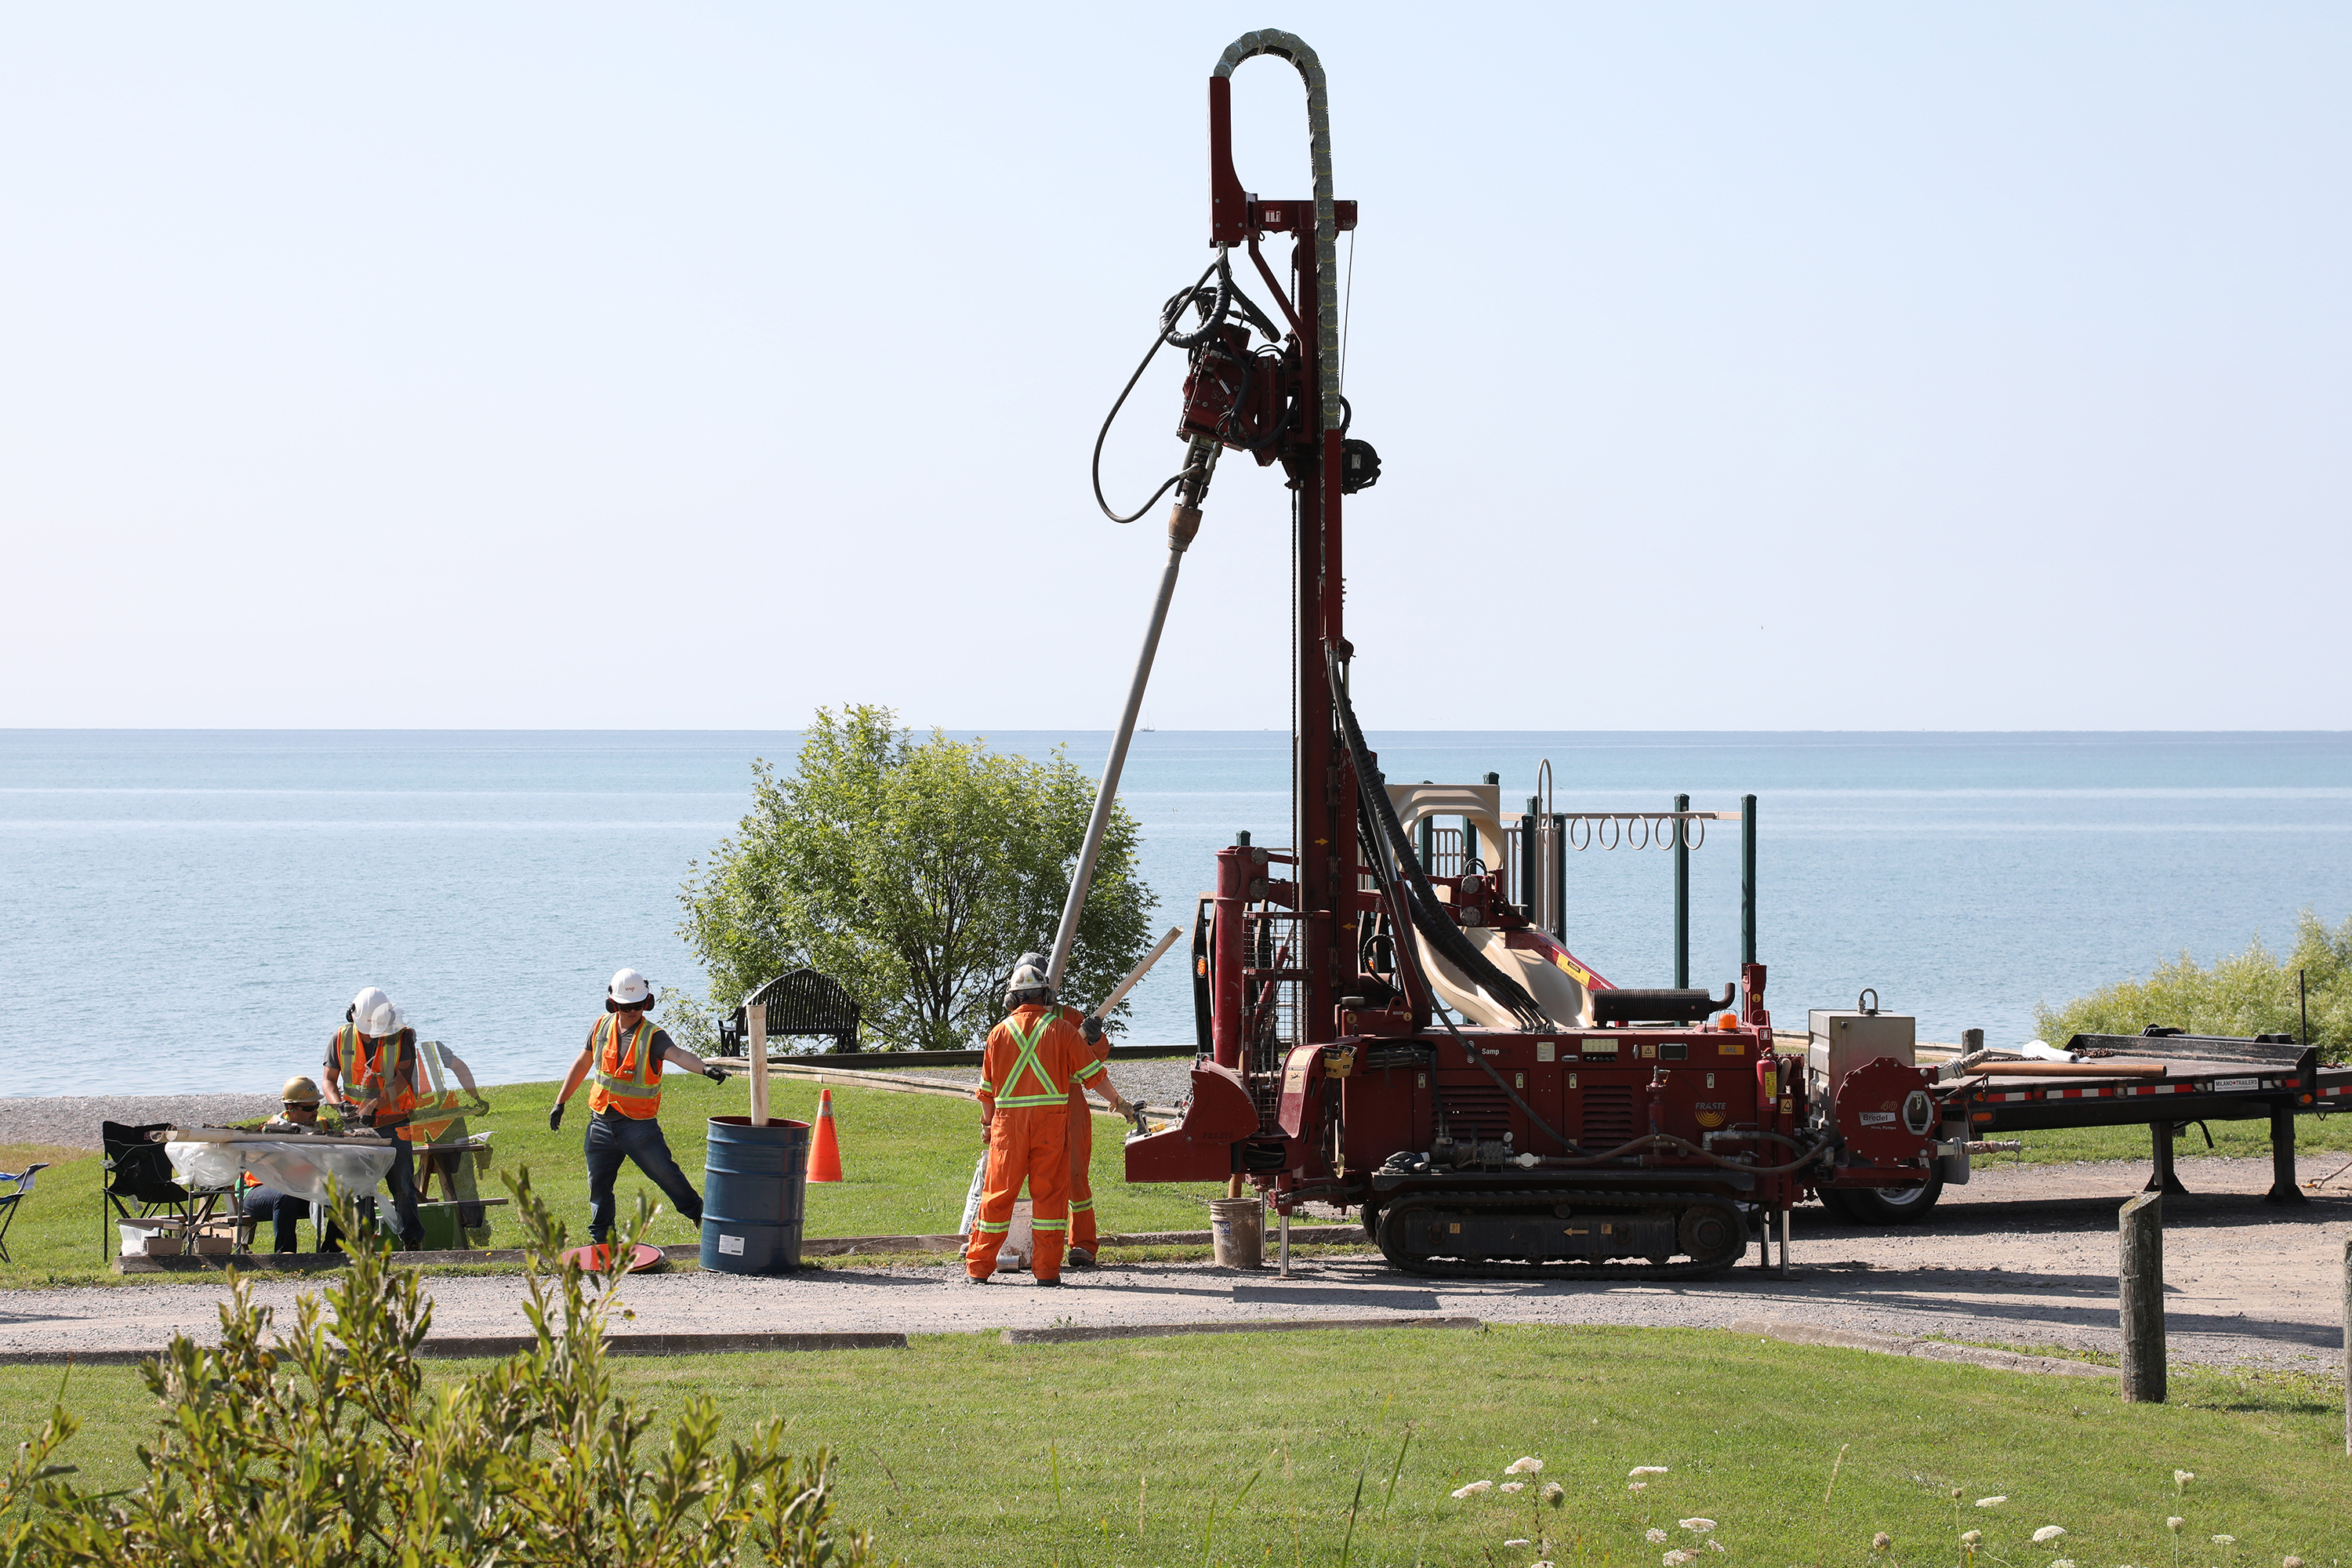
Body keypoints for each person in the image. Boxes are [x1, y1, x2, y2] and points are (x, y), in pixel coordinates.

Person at [964, 959, 1128, 1286]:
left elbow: (986, 1092)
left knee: (997, 1195)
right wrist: (1120, 1104)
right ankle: (1047, 1272)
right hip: (1051, 1126)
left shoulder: (998, 1034)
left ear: (1011, 1000)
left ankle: (979, 1267)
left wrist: (987, 1127)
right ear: (1046, 995)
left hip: (1008, 1128)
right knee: (1050, 1198)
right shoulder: (1064, 1029)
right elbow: (1095, 1077)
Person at [549, 968, 728, 1246]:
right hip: (600, 1123)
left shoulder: (653, 1035)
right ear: (613, 1004)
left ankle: (699, 1215)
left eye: (639, 1006)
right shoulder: (601, 1027)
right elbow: (582, 1064)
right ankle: (602, 1241)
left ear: (648, 1003)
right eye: (626, 1006)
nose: (633, 1011)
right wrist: (560, 1102)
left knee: (667, 1175)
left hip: (638, 1127)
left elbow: (678, 1055)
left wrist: (704, 1069)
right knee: (599, 1186)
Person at [1004, 951, 1134, 1267]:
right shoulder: (1013, 1025)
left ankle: (1082, 1245)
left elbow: (1097, 1058)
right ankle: (1018, 1244)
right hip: (1029, 1108)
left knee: (1075, 1176)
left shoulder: (1069, 1017)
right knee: (1015, 1178)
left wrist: (1093, 1037)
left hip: (1069, 1104)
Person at [336, 988, 429, 1250]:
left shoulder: (402, 1037)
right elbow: (329, 1079)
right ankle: (363, 1245)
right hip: (357, 1128)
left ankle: (413, 1241)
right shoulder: (341, 1038)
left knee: (401, 1184)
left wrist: (372, 1106)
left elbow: (401, 1080)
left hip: (395, 1123)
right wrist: (339, 1105)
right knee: (359, 1187)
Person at [240, 1075, 328, 1254]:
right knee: (285, 1196)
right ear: (290, 1108)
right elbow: (278, 1172)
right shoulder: (272, 1129)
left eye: (317, 1105)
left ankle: (331, 1254)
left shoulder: (322, 1125)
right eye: (309, 1107)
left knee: (345, 1196)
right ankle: (285, 1255)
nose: (315, 1111)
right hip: (259, 1190)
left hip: (302, 1192)